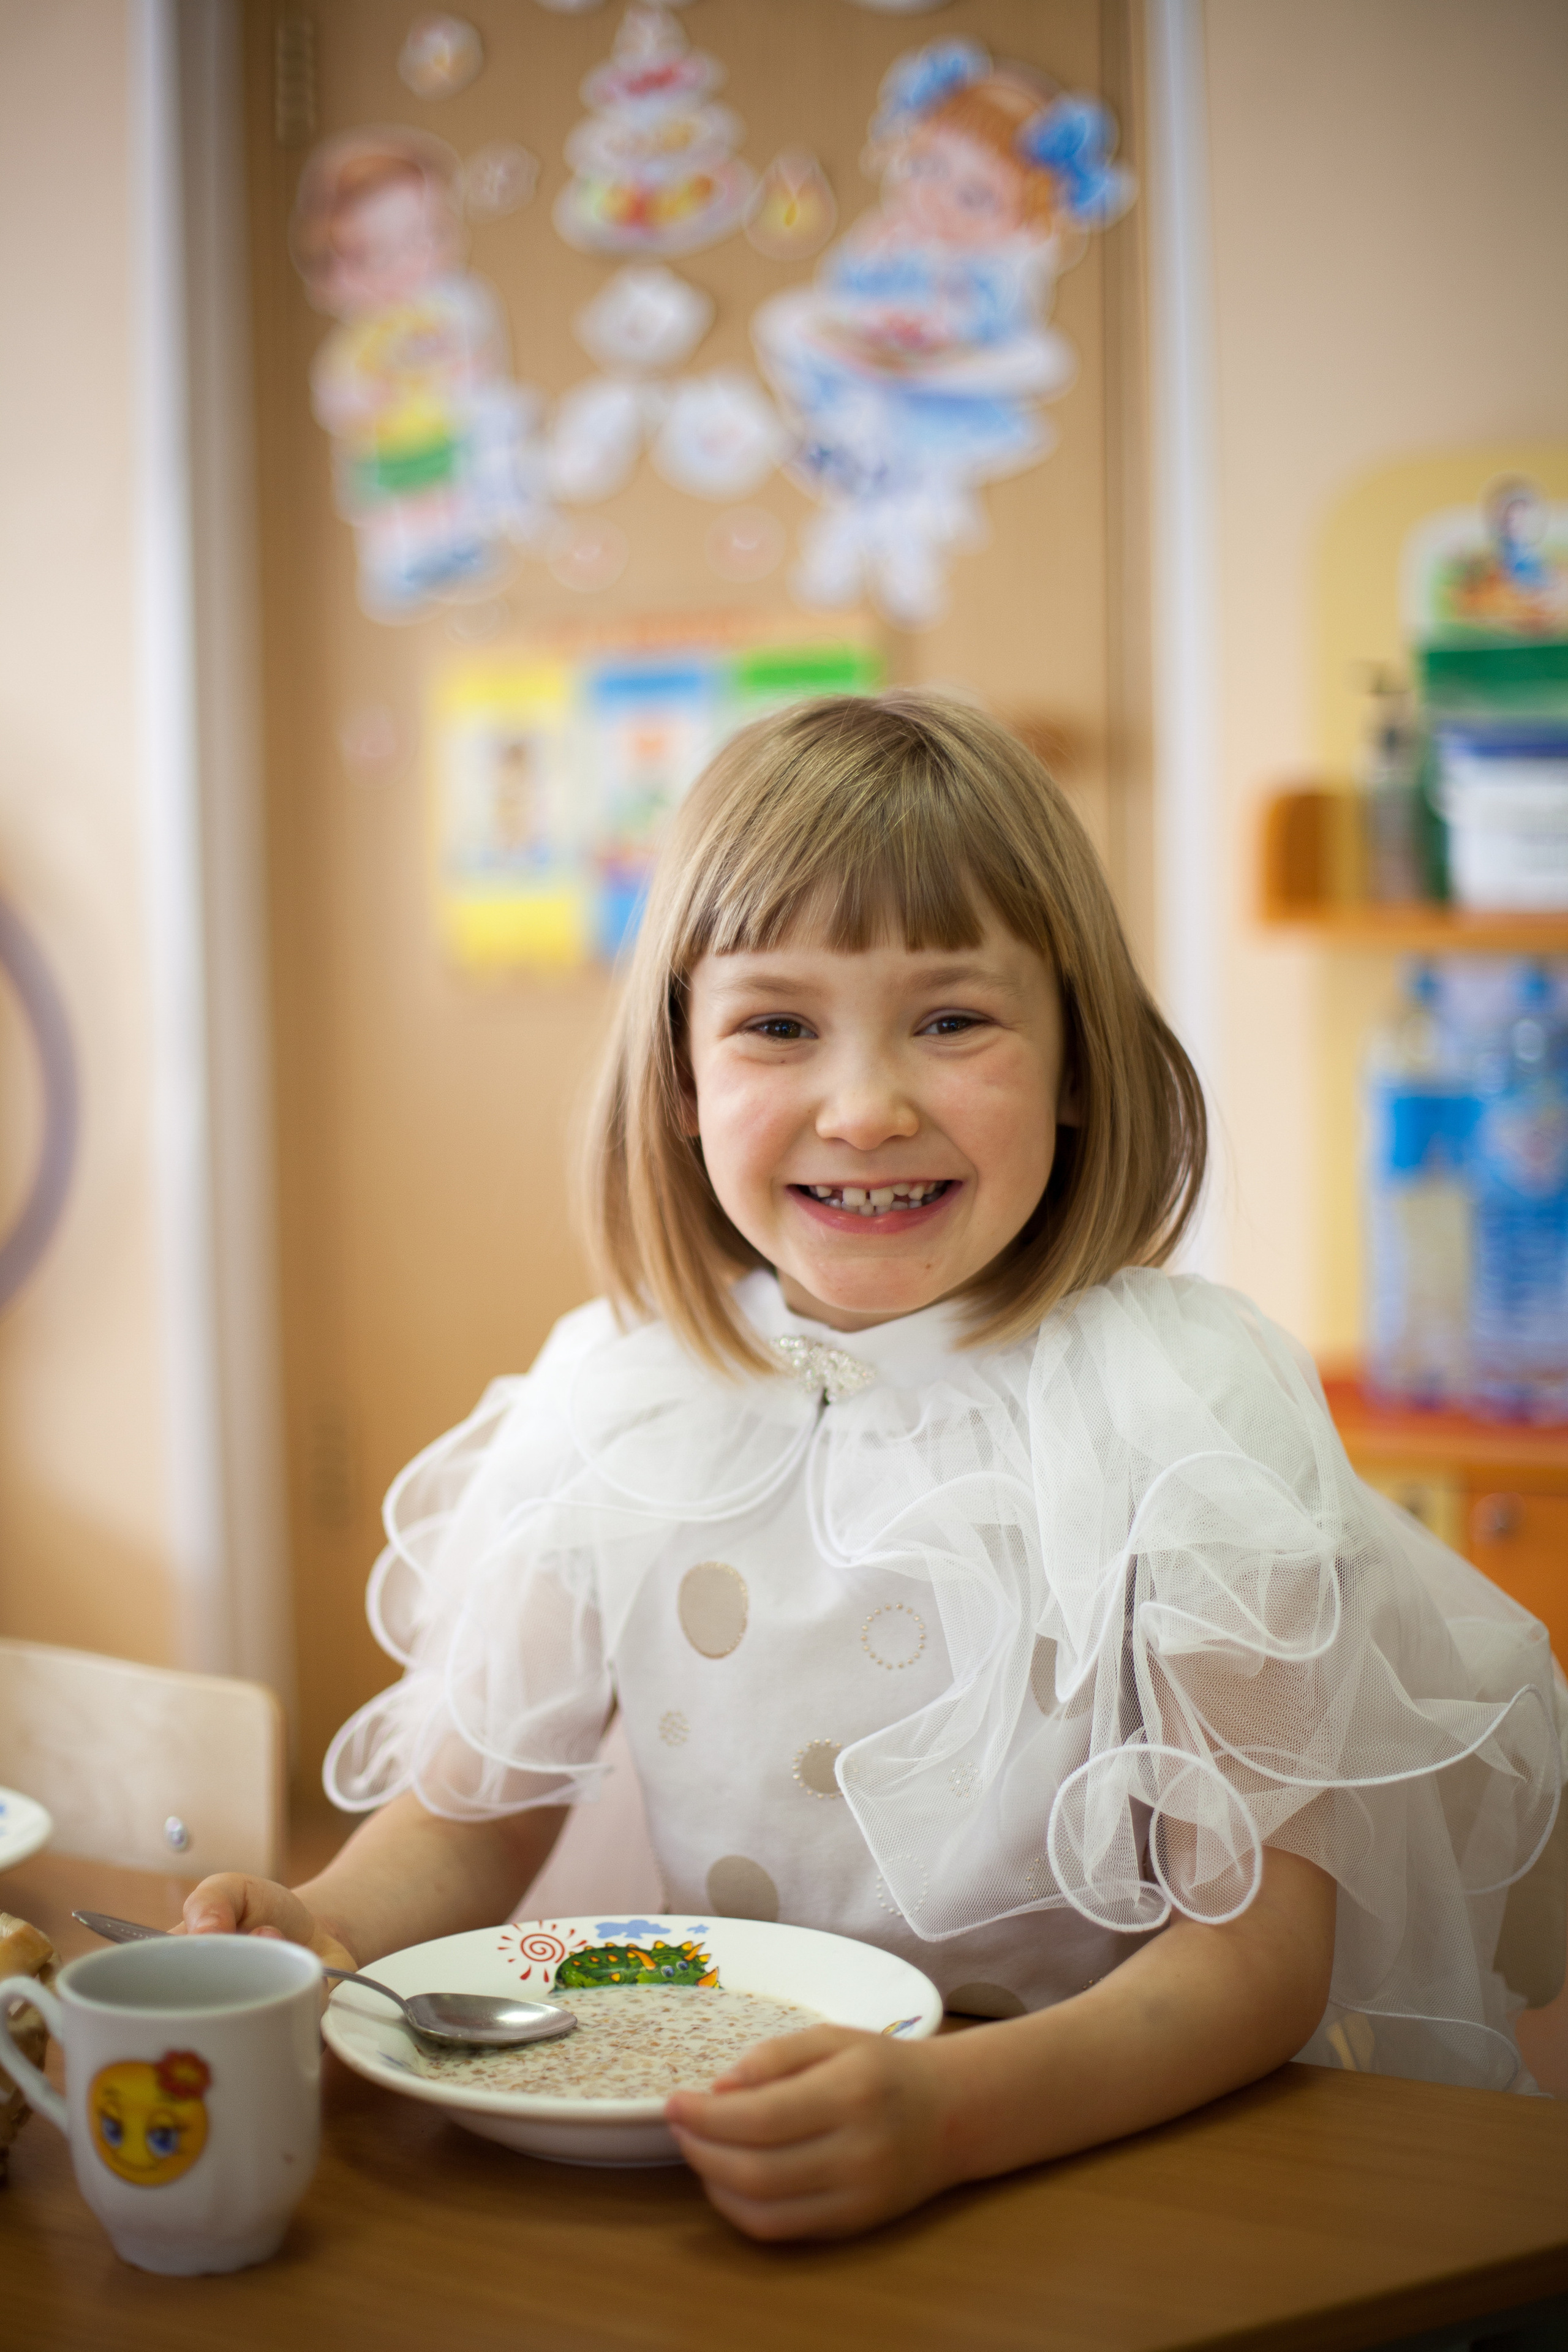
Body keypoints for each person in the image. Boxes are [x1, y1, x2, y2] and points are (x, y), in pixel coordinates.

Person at [183, 696, 1563, 2241]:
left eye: (951, 1019)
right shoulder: (618, 1398)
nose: (863, 1107)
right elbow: (468, 1822)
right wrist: (321, 1928)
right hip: (735, 2147)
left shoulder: (1183, 1405)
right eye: (777, 1026)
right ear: (684, 1079)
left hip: (1102, 2161)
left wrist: (947, 2118)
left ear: (1076, 1066)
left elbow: (1252, 1964)